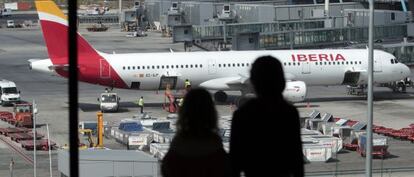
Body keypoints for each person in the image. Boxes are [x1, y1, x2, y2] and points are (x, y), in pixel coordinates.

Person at [230, 56, 304, 177]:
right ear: (282, 82)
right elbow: (296, 159)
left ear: (254, 83)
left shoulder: (242, 114)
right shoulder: (289, 113)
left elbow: (235, 162)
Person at [162, 88, 230, 177]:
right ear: (211, 112)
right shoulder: (214, 141)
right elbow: (224, 168)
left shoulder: (180, 140)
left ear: (184, 112)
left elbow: (167, 168)